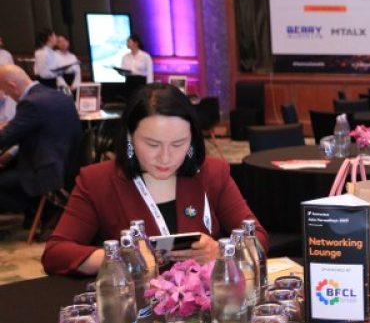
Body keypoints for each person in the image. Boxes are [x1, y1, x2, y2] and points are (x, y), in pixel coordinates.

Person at [42, 83, 268, 276]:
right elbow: (56, 253)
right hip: (135, 305)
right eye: (152, 144)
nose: (165, 157)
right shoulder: (97, 181)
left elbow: (258, 237)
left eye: (178, 144)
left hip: (204, 302)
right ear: (130, 137)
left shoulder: (212, 173)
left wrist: (223, 250)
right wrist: (118, 258)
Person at [0, 65, 81, 216]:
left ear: (12, 86)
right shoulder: (58, 95)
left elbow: (4, 138)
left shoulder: (31, 103)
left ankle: (36, 212)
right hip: (67, 166)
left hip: (46, 174)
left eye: (5, 91)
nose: (7, 95)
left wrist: (6, 129)